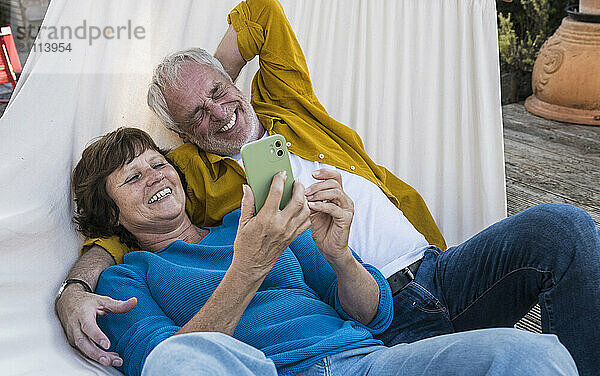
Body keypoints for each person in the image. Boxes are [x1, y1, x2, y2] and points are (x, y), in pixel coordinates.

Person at [56, 0, 600, 374]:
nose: (218, 114)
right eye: (196, 115)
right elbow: (160, 335)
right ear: (180, 136)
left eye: (221, 94)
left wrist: (204, 79)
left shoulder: (286, 109)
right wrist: (74, 290)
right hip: (372, 330)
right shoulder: (203, 187)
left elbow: (262, 12)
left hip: (429, 276)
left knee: (565, 233)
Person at [72, 127, 577, 376]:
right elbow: (168, 363)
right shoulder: (125, 279)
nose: (155, 177)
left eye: (158, 164)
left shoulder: (247, 224)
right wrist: (249, 267)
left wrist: (338, 255)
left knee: (535, 354)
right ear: (111, 213)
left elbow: (377, 314)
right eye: (132, 178)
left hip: (367, 362)